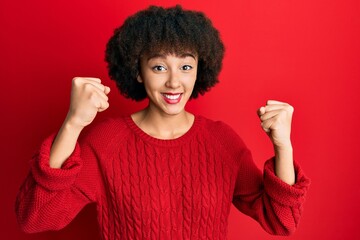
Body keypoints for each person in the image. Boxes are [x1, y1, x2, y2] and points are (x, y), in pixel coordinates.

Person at [15, 5, 310, 240]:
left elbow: (281, 222)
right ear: (138, 71)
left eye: (185, 66)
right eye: (158, 67)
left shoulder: (222, 141)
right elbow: (36, 218)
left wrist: (283, 145)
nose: (173, 82)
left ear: (199, 71)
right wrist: (73, 123)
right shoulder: (108, 142)